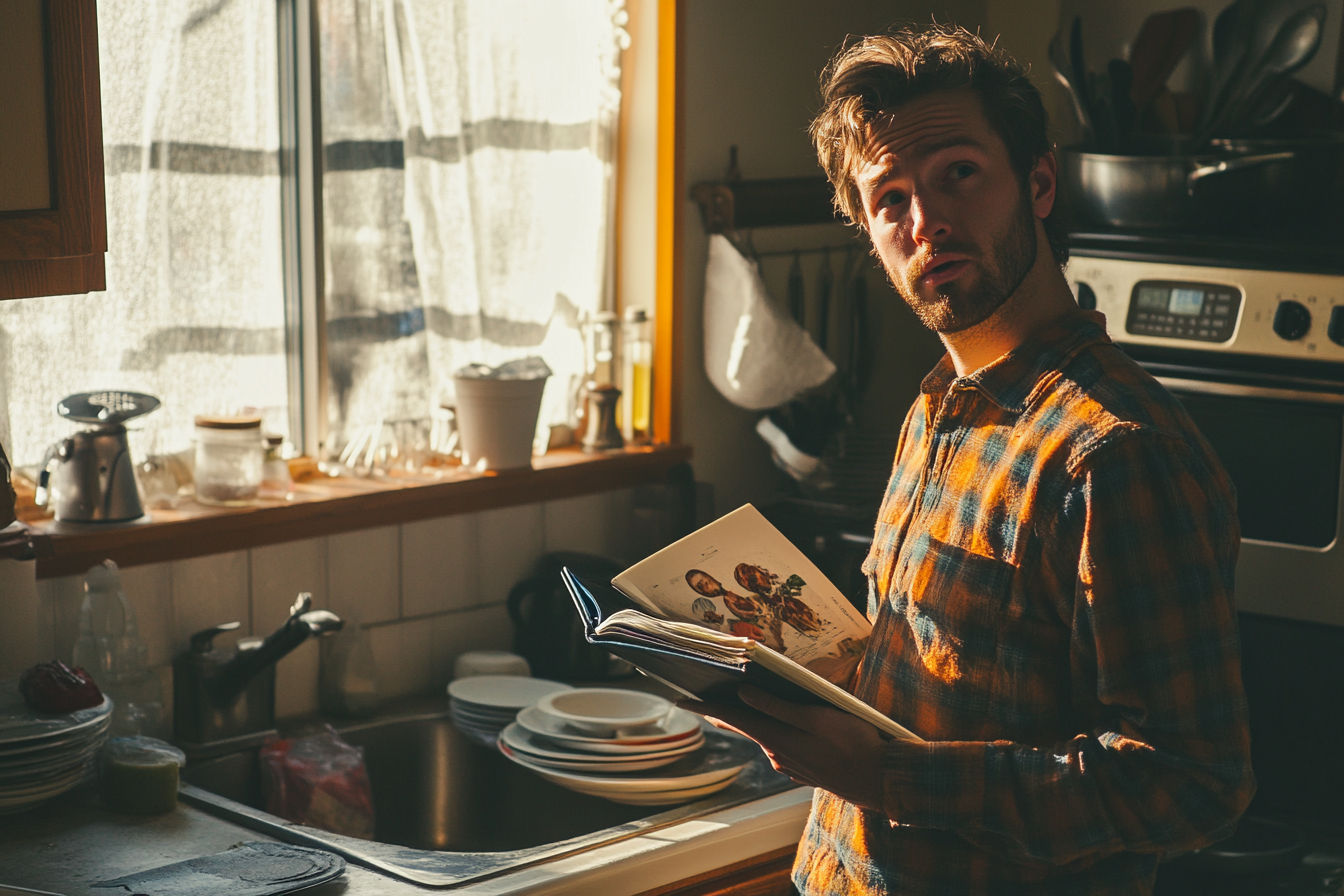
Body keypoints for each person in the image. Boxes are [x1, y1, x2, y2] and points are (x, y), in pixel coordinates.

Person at [681, 25, 1254, 896]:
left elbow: (1188, 784)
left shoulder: (1117, 454)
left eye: (958, 173)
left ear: (1039, 181)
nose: (927, 222)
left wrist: (888, 779)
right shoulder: (936, 409)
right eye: (890, 199)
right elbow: (951, 682)